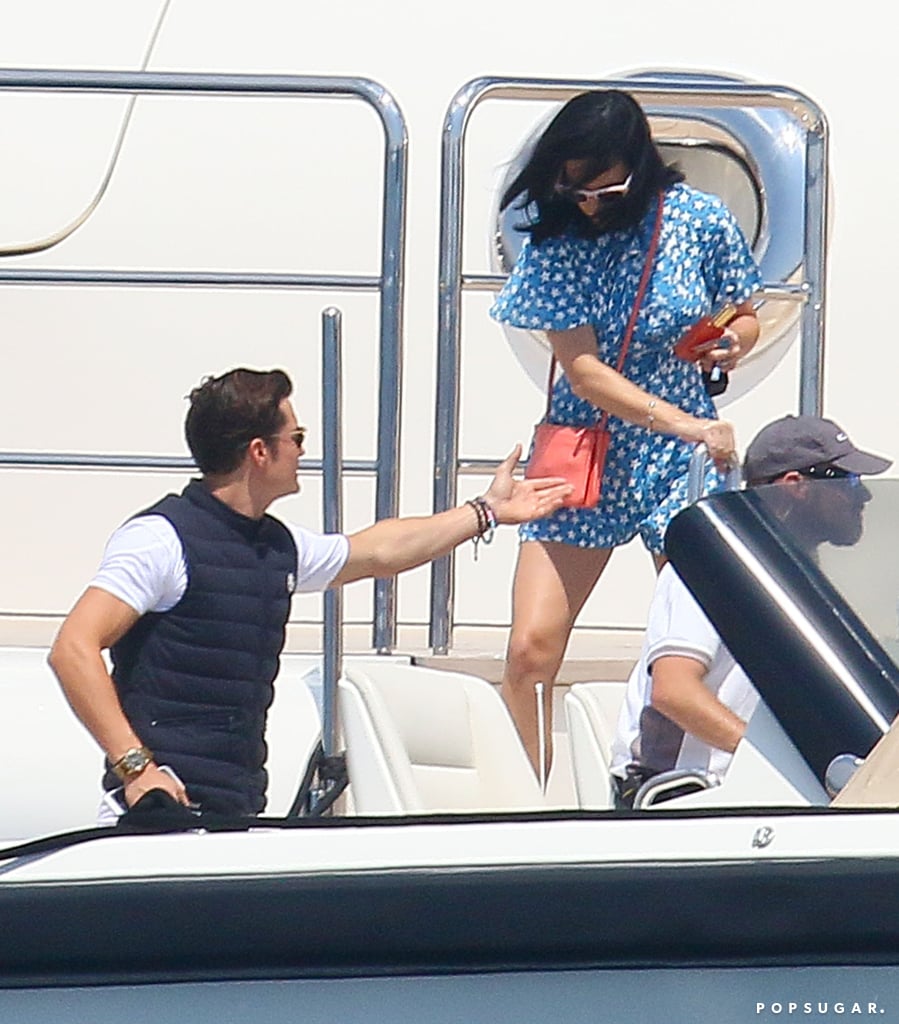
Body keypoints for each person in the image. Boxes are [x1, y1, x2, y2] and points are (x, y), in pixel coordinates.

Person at [48, 367, 573, 819]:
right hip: (153, 819)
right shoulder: (160, 540)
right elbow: (73, 649)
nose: (303, 450)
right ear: (259, 452)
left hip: (233, 812)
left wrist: (485, 512)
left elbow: (378, 552)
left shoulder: (276, 547)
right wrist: (137, 768)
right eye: (295, 438)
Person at [489, 89, 763, 774]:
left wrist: (731, 343)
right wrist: (690, 423)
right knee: (530, 652)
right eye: (573, 189)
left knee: (695, 645)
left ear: (638, 168)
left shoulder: (699, 220)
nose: (587, 204)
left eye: (604, 192)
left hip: (681, 461)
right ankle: (533, 804)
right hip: (588, 452)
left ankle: (687, 779)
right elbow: (584, 373)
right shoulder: (552, 243)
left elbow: (743, 311)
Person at [609, 414, 892, 808]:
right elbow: (673, 691)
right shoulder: (712, 569)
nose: (864, 497)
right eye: (847, 481)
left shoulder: (807, 579)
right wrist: (774, 761)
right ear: (796, 487)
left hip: (768, 793)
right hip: (683, 795)